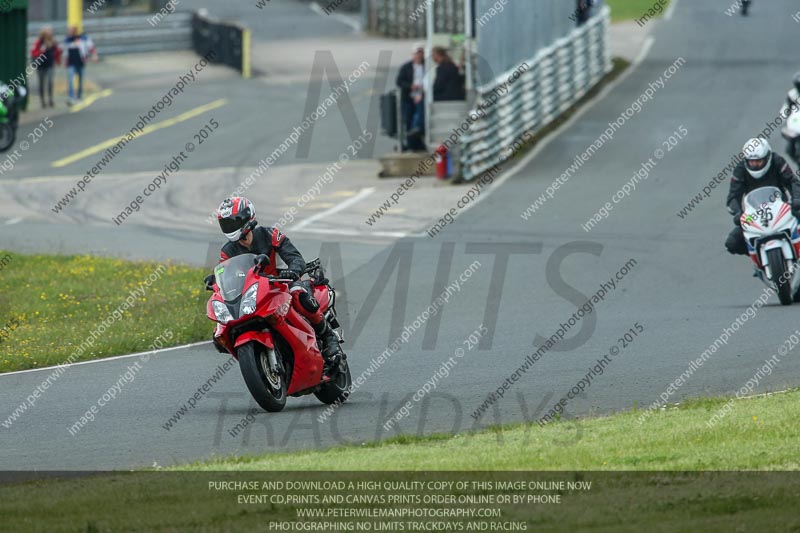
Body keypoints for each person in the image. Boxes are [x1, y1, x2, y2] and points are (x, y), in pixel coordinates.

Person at [211, 197, 343, 371]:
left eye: (233, 222)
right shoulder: (227, 251)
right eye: (226, 223)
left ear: (246, 218)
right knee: (219, 330)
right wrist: (216, 283)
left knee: (299, 295)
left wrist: (294, 270)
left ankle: (328, 337)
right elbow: (227, 276)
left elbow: (295, 257)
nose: (230, 227)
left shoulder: (270, 234)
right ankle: (258, 356)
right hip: (253, 293)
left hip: (281, 283)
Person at [725, 138, 800, 255]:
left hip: (782, 208)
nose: (755, 165)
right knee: (732, 243)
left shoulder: (777, 161)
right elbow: (733, 196)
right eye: (751, 161)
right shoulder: (740, 169)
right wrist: (738, 213)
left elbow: (792, 181)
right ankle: (758, 259)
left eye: (758, 161)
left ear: (768, 157)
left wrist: (796, 200)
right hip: (751, 216)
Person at [396, 44, 426, 151]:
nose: (418, 56)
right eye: (417, 54)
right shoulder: (406, 67)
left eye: (420, 54)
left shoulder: (426, 66)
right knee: (408, 120)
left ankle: (419, 142)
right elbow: (399, 81)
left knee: (420, 120)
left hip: (422, 97)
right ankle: (410, 143)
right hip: (409, 98)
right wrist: (410, 86)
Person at [63, 26, 96, 105]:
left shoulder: (83, 38)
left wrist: (94, 55)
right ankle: (71, 97)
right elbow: (64, 52)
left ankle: (79, 97)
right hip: (71, 63)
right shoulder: (67, 40)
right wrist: (64, 61)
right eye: (70, 30)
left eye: (72, 30)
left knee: (80, 81)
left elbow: (91, 47)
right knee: (71, 80)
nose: (71, 32)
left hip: (80, 63)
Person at [30, 27, 60, 108]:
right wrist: (42, 50)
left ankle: (50, 99)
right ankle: (42, 101)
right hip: (41, 65)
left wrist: (58, 60)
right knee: (41, 83)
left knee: (50, 82)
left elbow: (56, 52)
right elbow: (34, 52)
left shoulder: (53, 42)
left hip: (50, 64)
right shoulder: (39, 42)